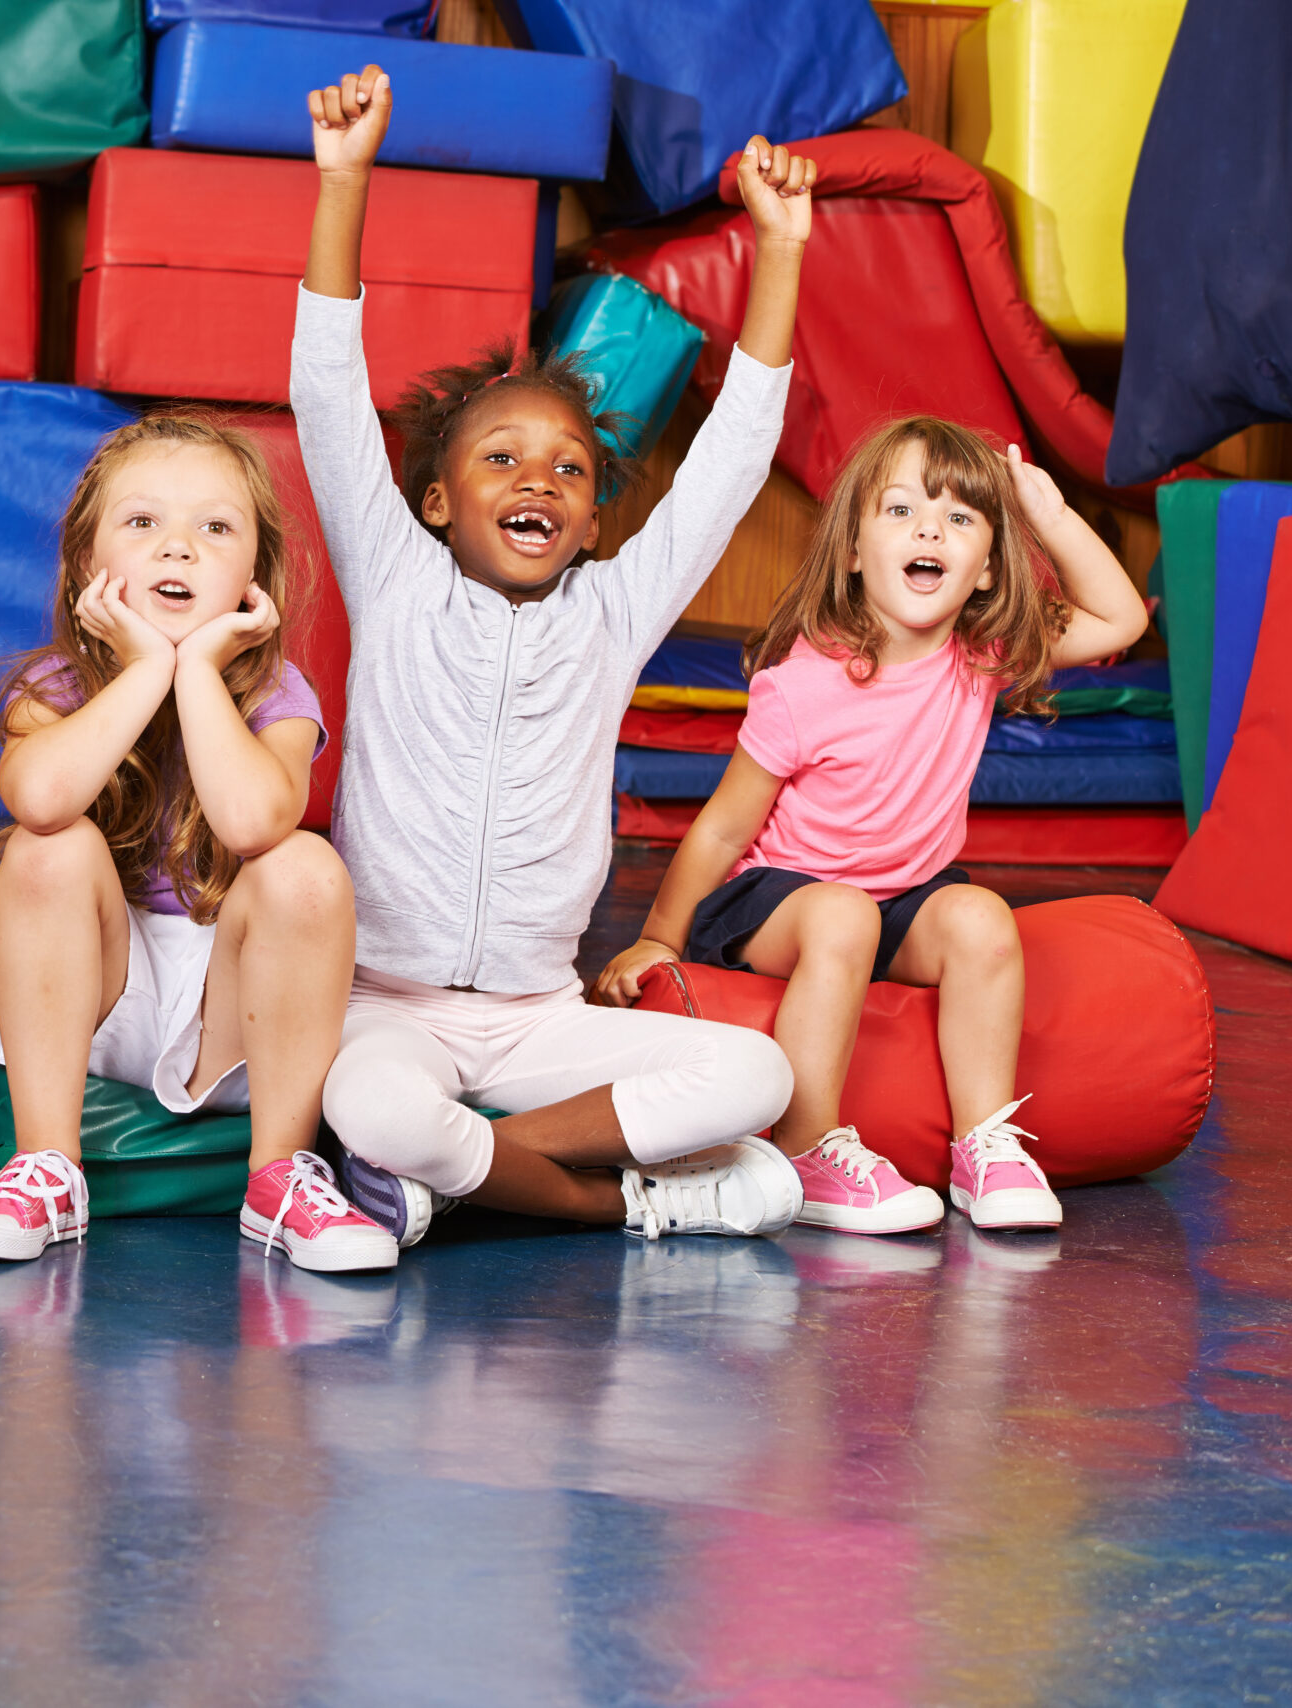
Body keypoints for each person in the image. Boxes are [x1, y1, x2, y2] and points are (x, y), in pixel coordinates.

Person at [296, 65, 815, 1246]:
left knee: (756, 1078)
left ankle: (454, 1174)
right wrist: (344, 180)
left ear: (592, 522)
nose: (538, 479)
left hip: (541, 1021)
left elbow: (732, 457)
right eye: (501, 460)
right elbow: (325, 395)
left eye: (568, 471)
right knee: (369, 1096)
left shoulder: (614, 611)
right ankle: (627, 1200)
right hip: (390, 1007)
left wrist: (777, 251)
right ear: (433, 501)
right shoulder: (393, 575)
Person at [595, 420, 1149, 1233]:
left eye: (961, 519)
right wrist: (659, 940)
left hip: (903, 901)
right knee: (844, 912)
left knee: (982, 919)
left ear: (988, 568)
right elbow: (720, 830)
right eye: (902, 510)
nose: (931, 529)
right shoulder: (804, 684)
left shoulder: (980, 653)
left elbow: (1122, 619)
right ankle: (809, 1146)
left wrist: (1050, 513)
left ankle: (984, 1145)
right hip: (779, 904)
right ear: (854, 550)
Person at [0, 412, 394, 1274]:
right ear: (86, 565)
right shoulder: (56, 686)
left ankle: (279, 1177)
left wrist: (197, 671)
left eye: (213, 528)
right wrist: (147, 666)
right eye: (143, 523)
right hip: (93, 998)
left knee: (303, 866)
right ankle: (47, 1166)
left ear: (254, 581)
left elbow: (256, 822)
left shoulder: (278, 694)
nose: (177, 548)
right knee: (47, 846)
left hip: (236, 1013)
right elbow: (37, 797)